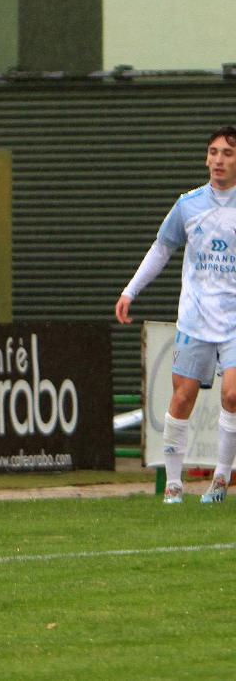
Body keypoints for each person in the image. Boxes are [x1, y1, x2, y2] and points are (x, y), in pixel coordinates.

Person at [116, 126, 236, 505]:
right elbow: (161, 248)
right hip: (195, 319)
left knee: (232, 394)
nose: (219, 160)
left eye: (228, 154)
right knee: (182, 397)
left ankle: (219, 480)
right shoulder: (189, 205)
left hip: (234, 321)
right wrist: (130, 291)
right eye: (213, 152)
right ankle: (173, 484)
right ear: (206, 158)